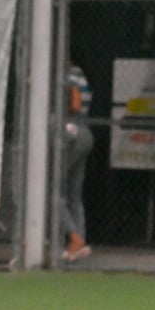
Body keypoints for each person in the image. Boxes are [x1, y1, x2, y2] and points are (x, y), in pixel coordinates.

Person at [62, 62, 94, 262]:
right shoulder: (80, 73)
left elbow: (75, 103)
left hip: (72, 134)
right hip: (85, 133)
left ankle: (74, 238)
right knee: (74, 193)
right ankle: (79, 241)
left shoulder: (67, 75)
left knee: (51, 190)